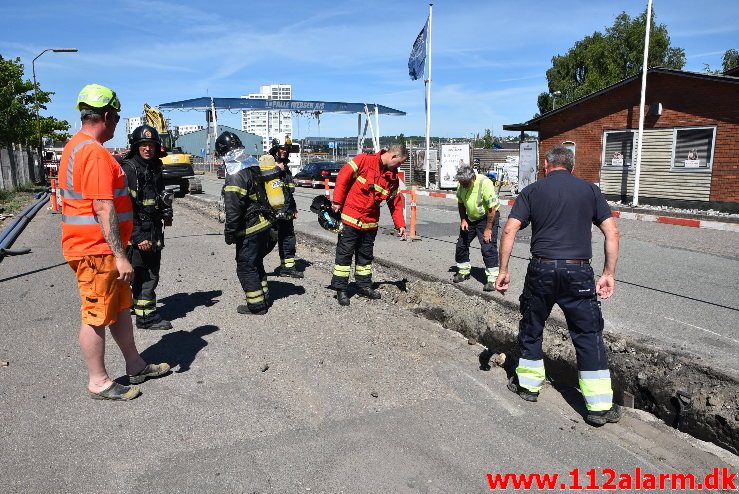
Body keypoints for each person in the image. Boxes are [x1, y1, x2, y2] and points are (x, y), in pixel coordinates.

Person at [58, 84, 169, 401]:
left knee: (120, 309)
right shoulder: (92, 153)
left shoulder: (79, 146)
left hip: (102, 249)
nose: (117, 123)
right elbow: (103, 206)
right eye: (117, 118)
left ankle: (136, 365)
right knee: (96, 316)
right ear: (106, 116)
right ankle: (99, 381)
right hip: (97, 251)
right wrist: (121, 255)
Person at [495, 146, 621, 426]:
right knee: (587, 333)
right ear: (572, 167)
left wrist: (504, 270)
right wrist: (608, 273)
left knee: (532, 324)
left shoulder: (532, 191)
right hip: (578, 271)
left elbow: (509, 229)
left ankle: (528, 386)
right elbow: (612, 231)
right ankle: (599, 407)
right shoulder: (590, 191)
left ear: (545, 165)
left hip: (541, 268)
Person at [329, 144, 407, 306]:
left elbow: (396, 203)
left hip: (370, 223)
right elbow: (344, 175)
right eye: (399, 163)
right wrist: (337, 201)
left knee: (365, 257)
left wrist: (400, 225)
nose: (398, 167)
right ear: (393, 157)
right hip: (351, 219)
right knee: (345, 254)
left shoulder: (392, 179)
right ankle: (341, 289)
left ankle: (364, 286)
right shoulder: (364, 160)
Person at [119, 125, 174, 330]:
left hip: (153, 228)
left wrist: (166, 211)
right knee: (147, 274)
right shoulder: (130, 170)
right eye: (143, 145)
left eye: (151, 144)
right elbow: (125, 208)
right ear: (136, 146)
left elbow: (158, 197)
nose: (147, 149)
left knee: (144, 273)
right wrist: (138, 235)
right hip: (139, 232)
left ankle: (136, 307)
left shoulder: (155, 167)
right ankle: (146, 318)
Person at [220, 131, 276, 315]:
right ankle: (265, 296)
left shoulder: (235, 174)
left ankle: (257, 305)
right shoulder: (251, 164)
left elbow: (234, 209)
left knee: (245, 265)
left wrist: (230, 233)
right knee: (256, 262)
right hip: (265, 223)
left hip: (250, 227)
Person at [453, 166, 501, 291]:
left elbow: (492, 209)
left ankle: (492, 279)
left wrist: (488, 229)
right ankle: (464, 271)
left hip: (487, 217)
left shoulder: (485, 183)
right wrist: (463, 219)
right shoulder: (461, 185)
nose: (463, 186)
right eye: (461, 184)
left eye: (466, 184)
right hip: (471, 217)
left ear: (473, 178)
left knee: (487, 247)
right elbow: (461, 203)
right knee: (461, 244)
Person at [269, 141, 302, 278]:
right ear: (276, 149)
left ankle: (287, 268)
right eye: (282, 148)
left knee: (288, 239)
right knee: (268, 241)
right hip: (273, 213)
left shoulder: (286, 167)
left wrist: (293, 208)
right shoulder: (269, 164)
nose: (284, 151)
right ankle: (253, 267)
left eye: (286, 148)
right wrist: (277, 169)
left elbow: (288, 191)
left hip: (286, 211)